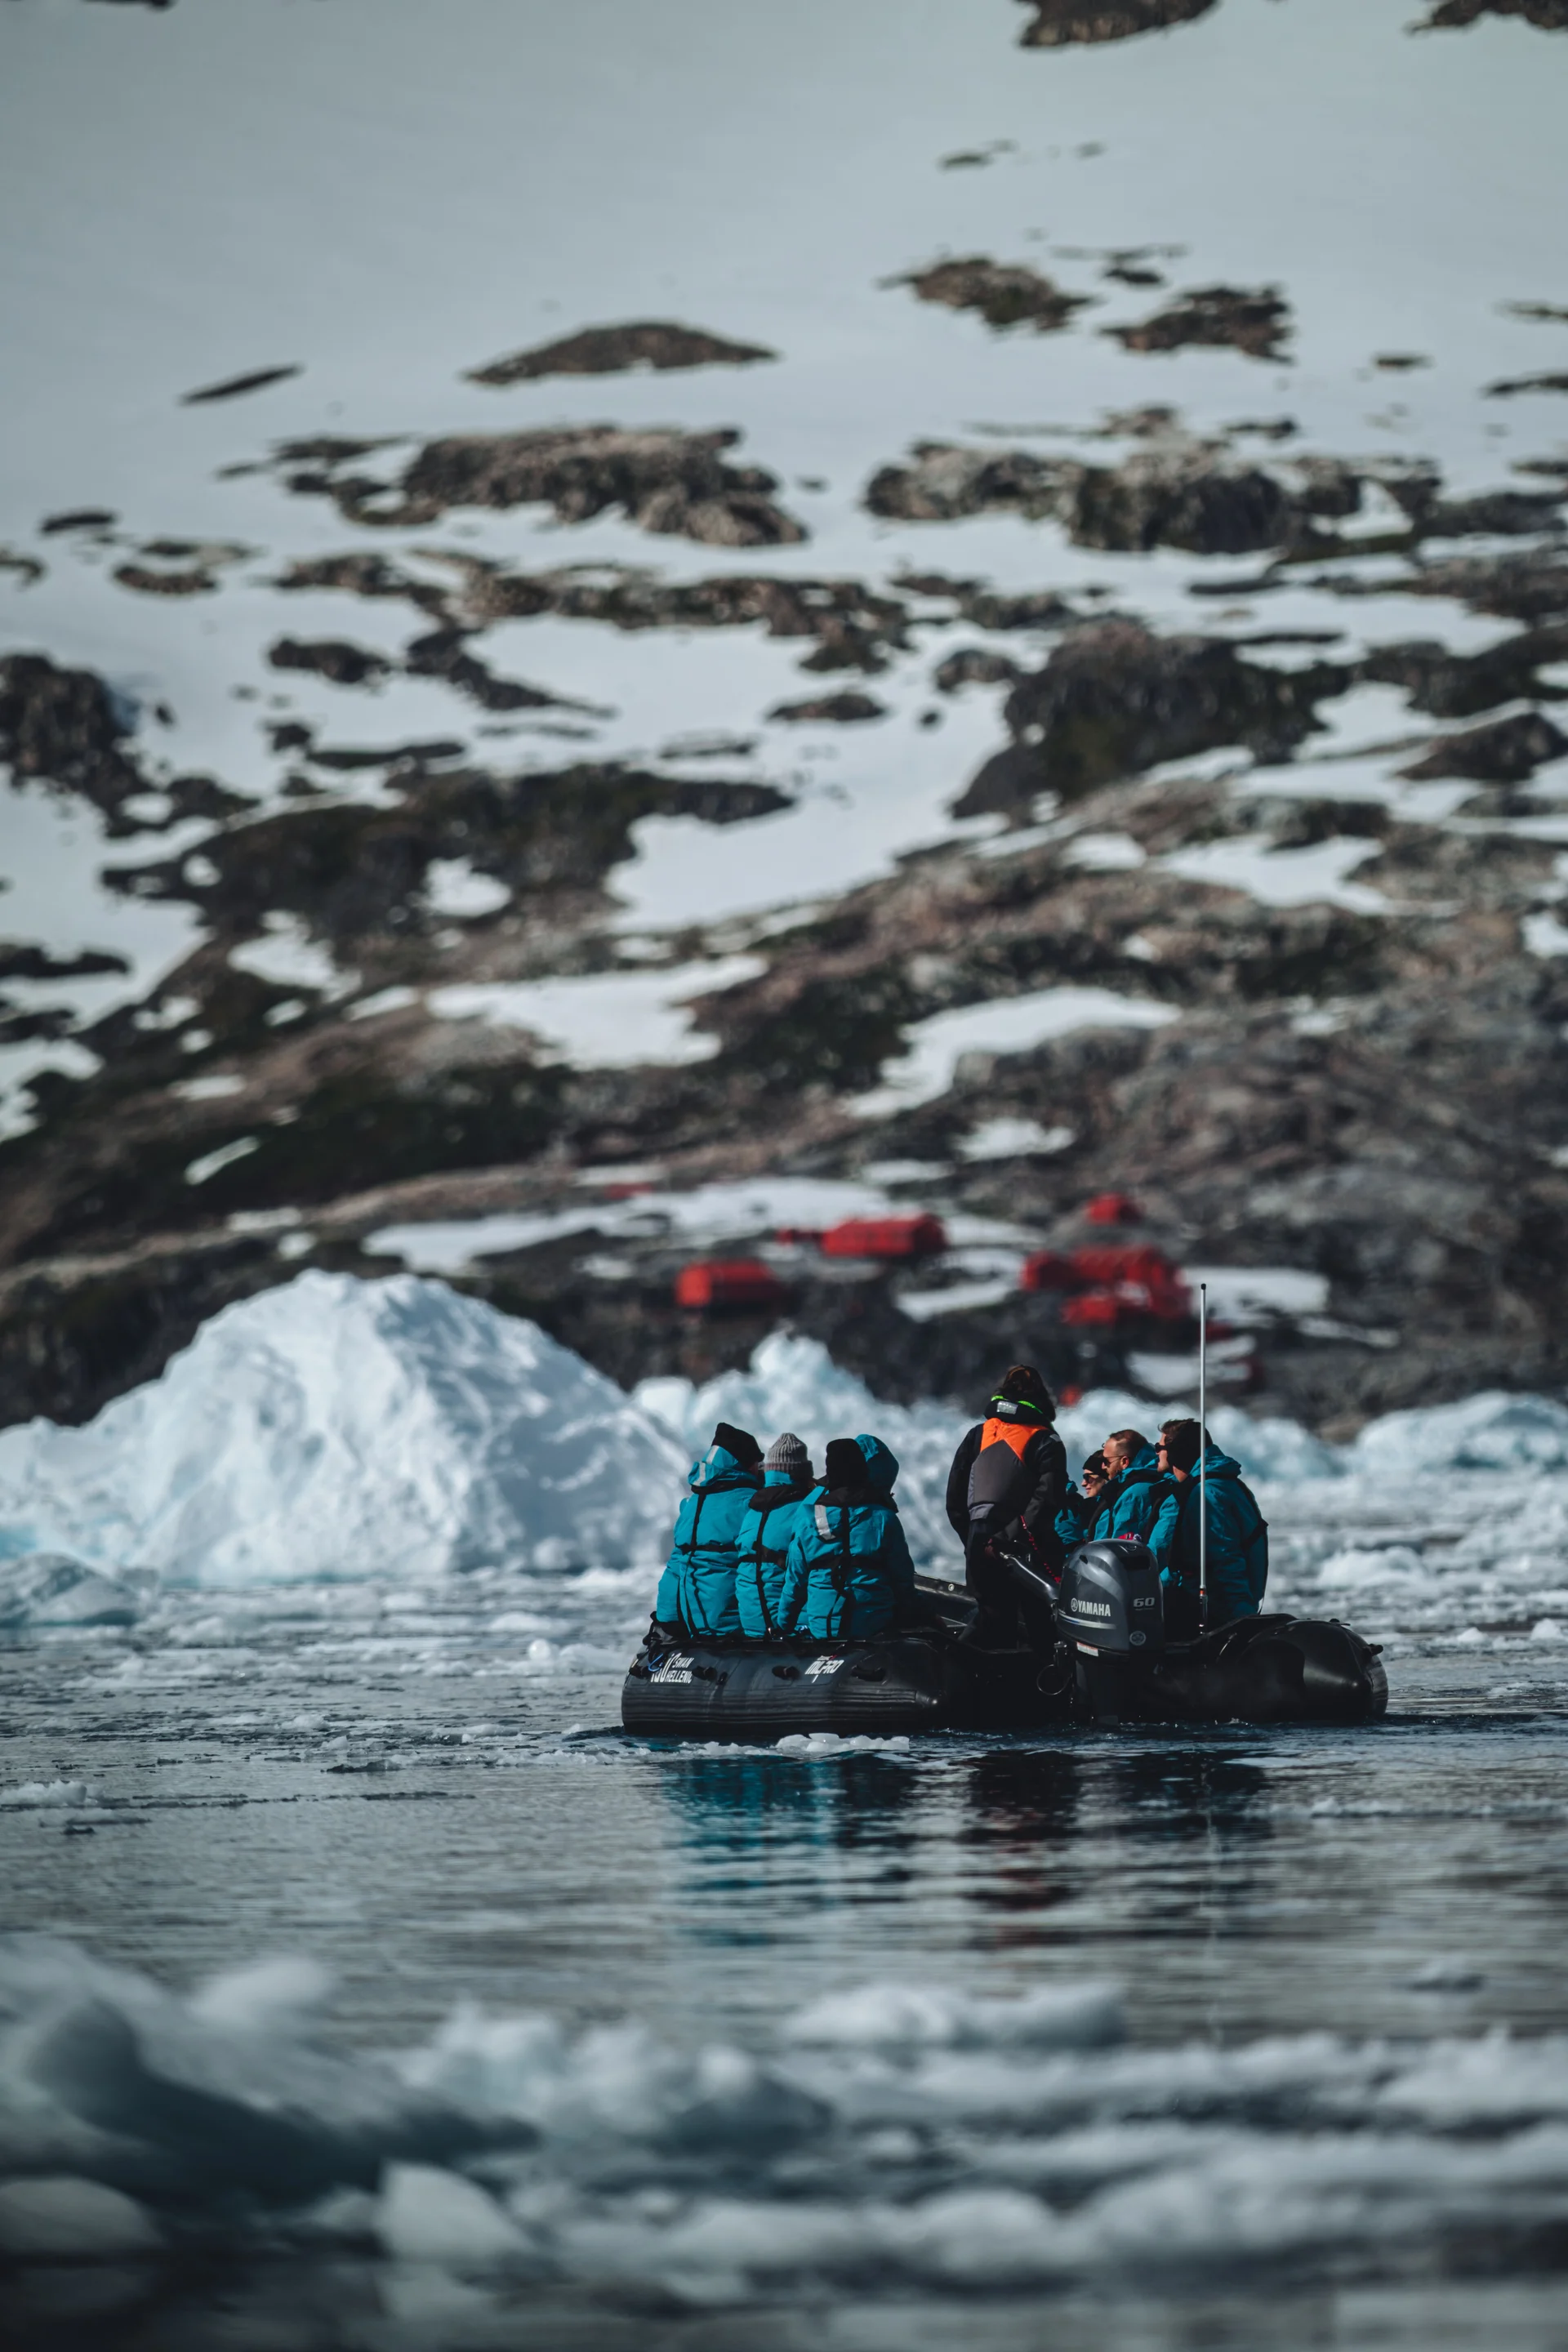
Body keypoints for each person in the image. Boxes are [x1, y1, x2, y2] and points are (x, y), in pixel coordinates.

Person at [945, 1364, 1067, 1647]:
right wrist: (1008, 1536)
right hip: (1024, 1544)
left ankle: (985, 1686)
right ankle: (1045, 1686)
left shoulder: (977, 1434)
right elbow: (1048, 1498)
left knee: (992, 1624)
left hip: (980, 1540)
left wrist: (975, 1539)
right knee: (1041, 1625)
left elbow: (955, 1500)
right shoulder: (1046, 1439)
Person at [776, 1435, 915, 1641]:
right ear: (865, 1472)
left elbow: (795, 1580)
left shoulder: (808, 1516)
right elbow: (903, 1581)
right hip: (872, 1627)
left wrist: (784, 1626)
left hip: (823, 1627)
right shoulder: (884, 1518)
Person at [1156, 1418, 1269, 1637]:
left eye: (1159, 1447)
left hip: (1215, 1613)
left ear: (1176, 1451)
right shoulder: (1217, 1484)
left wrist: (1242, 1623)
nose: (1156, 1453)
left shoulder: (1207, 1494)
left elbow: (1225, 1559)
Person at [652, 1422, 763, 1642]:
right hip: (729, 1623)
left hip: (687, 1620)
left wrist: (668, 1620)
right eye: (756, 1464)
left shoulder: (692, 1503)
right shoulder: (749, 1503)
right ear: (744, 1464)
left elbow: (676, 1567)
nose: (758, 1469)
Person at [734, 1432, 817, 1639]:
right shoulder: (805, 1511)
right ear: (802, 1473)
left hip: (752, 1625)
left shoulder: (752, 1510)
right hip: (791, 1629)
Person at [1092, 1428, 1178, 1564]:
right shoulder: (1137, 1485)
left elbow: (1120, 1545)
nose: (1103, 1466)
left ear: (1124, 1462)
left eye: (1107, 1461)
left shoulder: (1134, 1493)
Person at [1055, 1449, 1107, 1554]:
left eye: (1088, 1477)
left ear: (1105, 1476)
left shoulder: (1107, 1507)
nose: (1083, 1483)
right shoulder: (1088, 1507)